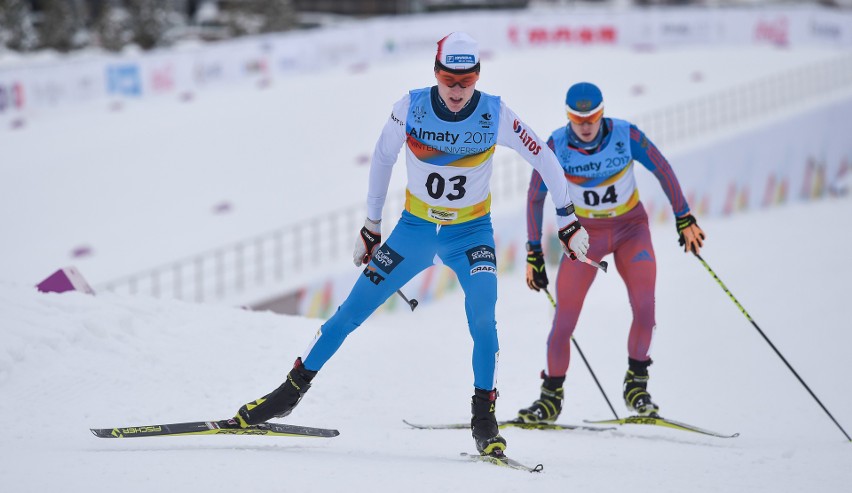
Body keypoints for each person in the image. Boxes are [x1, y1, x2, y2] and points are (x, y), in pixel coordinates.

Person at [222, 32, 590, 456]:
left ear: (477, 77)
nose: (456, 90)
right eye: (449, 79)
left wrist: (567, 220)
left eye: (466, 81)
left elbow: (544, 156)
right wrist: (371, 226)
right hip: (414, 231)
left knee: (484, 324)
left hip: (470, 236)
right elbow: (382, 158)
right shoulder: (411, 106)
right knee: (349, 313)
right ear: (435, 73)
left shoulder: (495, 113)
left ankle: (484, 419)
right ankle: (289, 392)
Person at [517, 82, 705, 424]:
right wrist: (534, 253)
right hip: (585, 237)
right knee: (563, 321)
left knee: (646, 308)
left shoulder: (625, 135)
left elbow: (662, 169)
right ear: (568, 116)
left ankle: (636, 387)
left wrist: (684, 216)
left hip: (631, 229)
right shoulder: (556, 145)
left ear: (601, 113)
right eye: (578, 119)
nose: (586, 126)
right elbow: (534, 196)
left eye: (591, 118)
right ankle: (550, 399)